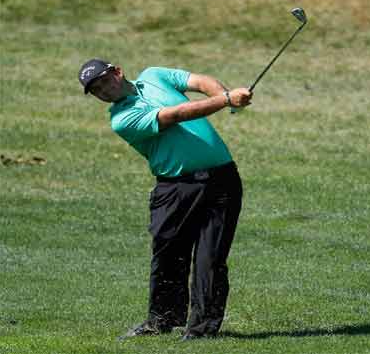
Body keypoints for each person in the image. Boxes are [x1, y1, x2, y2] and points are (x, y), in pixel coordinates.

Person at [78, 59, 252, 341]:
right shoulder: (122, 119)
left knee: (211, 257)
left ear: (118, 72)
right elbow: (176, 114)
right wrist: (226, 100)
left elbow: (199, 81)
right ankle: (161, 320)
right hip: (175, 187)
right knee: (169, 253)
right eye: (96, 90)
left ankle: (203, 329)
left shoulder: (155, 75)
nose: (103, 90)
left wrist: (226, 97)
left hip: (223, 181)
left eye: (104, 81)